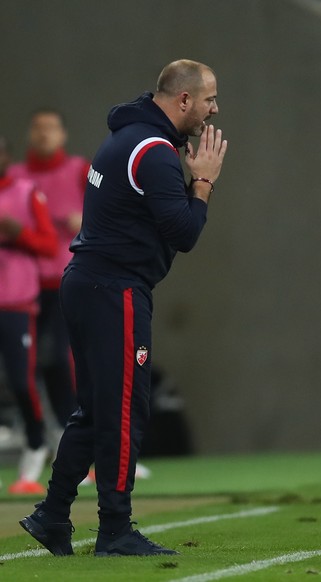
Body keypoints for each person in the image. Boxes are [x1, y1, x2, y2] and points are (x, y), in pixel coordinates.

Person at [19, 59, 227, 557]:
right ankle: (115, 528)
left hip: (88, 283)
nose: (214, 109)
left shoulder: (126, 136)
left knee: (95, 410)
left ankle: (52, 515)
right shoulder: (153, 151)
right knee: (124, 410)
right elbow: (184, 233)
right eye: (209, 99)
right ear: (183, 101)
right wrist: (203, 182)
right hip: (114, 290)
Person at [9, 109, 89, 453]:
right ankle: (39, 436)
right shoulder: (15, 177)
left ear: (63, 135)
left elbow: (117, 208)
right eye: (38, 128)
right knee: (21, 367)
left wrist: (85, 220)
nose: (44, 134)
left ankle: (78, 436)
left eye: (51, 128)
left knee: (63, 359)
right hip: (22, 288)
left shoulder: (80, 171)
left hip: (65, 281)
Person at [0, 136, 58, 493]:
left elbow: (50, 245)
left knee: (22, 380)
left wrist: (18, 233)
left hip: (16, 303)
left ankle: (37, 443)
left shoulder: (25, 192)